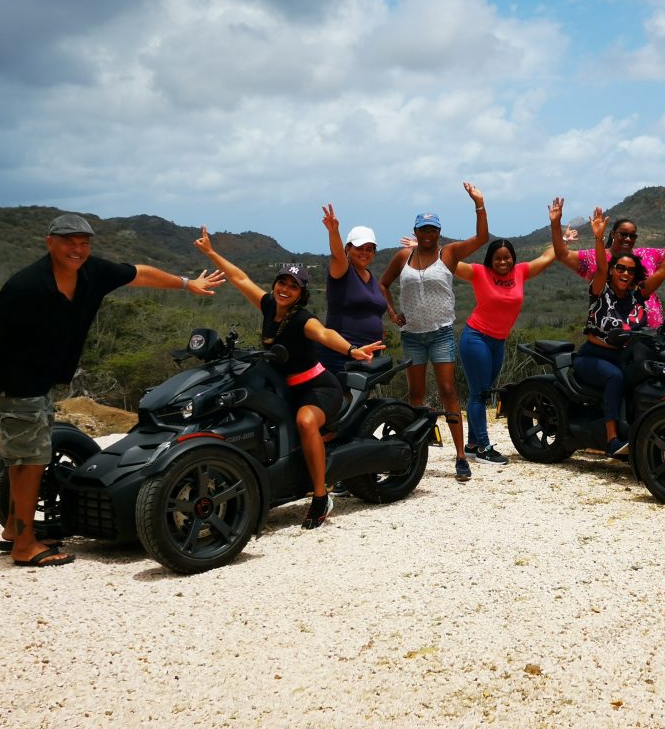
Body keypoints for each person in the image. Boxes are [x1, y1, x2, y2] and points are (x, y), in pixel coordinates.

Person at [0, 214, 226, 567]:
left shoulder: (92, 272)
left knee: (24, 455)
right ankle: (24, 546)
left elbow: (140, 273)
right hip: (17, 382)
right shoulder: (25, 287)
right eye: (69, 241)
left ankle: (15, 529)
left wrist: (185, 283)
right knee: (31, 459)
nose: (78, 249)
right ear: (49, 242)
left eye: (84, 242)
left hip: (41, 382)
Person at [193, 227, 384, 529]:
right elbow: (240, 278)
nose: (285, 289)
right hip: (284, 389)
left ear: (301, 294)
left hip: (317, 389)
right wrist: (210, 253)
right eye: (282, 282)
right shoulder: (269, 305)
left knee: (306, 422)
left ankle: (321, 496)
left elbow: (325, 333)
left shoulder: (302, 319)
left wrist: (352, 350)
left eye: (292, 286)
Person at [554, 202, 665, 457]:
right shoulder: (600, 289)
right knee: (614, 378)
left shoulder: (639, 295)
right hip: (594, 355)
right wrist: (599, 237)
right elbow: (601, 267)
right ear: (613, 270)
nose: (625, 273)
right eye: (620, 268)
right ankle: (612, 439)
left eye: (630, 270)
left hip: (627, 355)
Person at [380, 182, 488, 482]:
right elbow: (383, 284)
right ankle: (415, 453)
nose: (428, 234)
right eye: (423, 229)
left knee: (448, 391)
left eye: (432, 230)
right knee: (416, 394)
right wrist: (391, 312)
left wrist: (479, 203)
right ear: (415, 232)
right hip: (412, 334)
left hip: (440, 333)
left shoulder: (449, 254)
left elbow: (481, 237)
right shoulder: (403, 258)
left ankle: (461, 456)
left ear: (439, 232)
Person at [455, 235, 557, 465]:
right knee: (479, 394)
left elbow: (548, 256)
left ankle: (472, 444)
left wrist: (561, 238)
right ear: (490, 260)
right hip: (476, 338)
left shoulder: (519, 272)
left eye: (507, 257)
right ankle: (483, 447)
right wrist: (426, 248)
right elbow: (449, 261)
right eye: (498, 258)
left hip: (497, 342)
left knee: (484, 391)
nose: (503, 262)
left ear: (513, 258)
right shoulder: (479, 272)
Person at [550, 207, 665, 329]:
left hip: (651, 330)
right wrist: (555, 225)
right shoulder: (595, 257)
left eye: (632, 236)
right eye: (623, 234)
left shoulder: (646, 255)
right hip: (614, 333)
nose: (628, 238)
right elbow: (563, 254)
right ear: (613, 234)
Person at [320, 205, 388, 374]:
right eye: (359, 248)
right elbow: (337, 255)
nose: (364, 253)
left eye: (369, 249)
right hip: (342, 353)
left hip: (369, 355)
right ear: (348, 249)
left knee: (359, 400)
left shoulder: (371, 277)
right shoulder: (343, 271)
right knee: (343, 398)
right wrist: (333, 231)